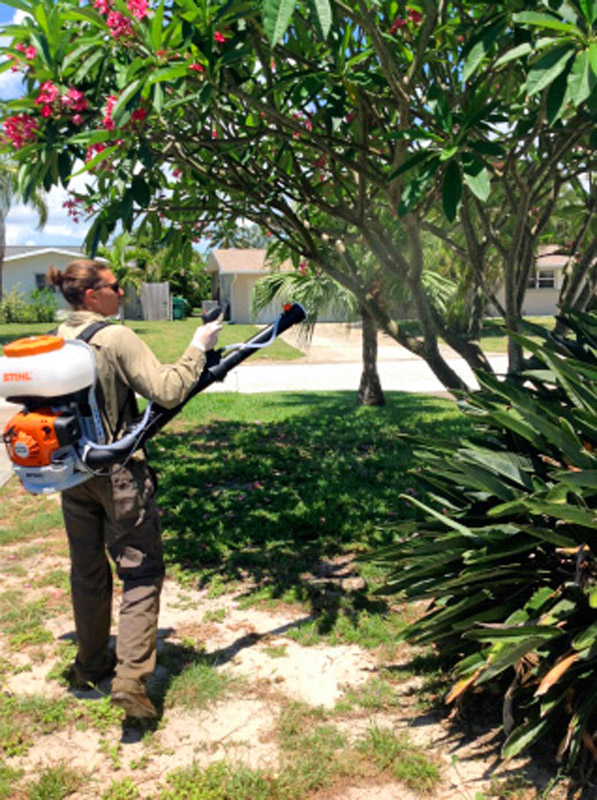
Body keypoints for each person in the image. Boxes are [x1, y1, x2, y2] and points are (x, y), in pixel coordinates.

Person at [48, 258, 221, 719]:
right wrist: (198, 345)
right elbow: (166, 390)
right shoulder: (113, 337)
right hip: (120, 473)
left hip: (74, 474)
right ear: (91, 295)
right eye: (115, 287)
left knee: (87, 573)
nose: (122, 293)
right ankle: (130, 681)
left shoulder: (55, 340)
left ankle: (90, 664)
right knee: (141, 572)